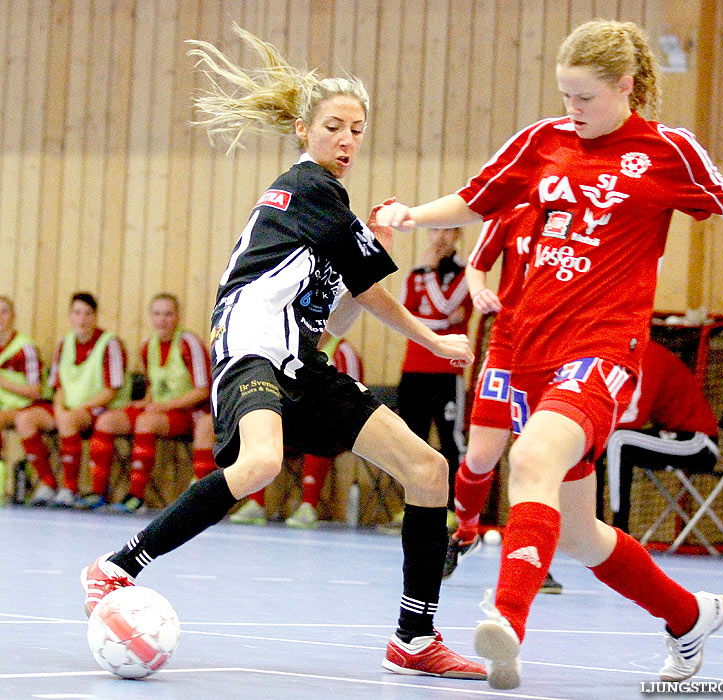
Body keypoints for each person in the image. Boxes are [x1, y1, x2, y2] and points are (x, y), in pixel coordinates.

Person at [376, 19, 723, 689]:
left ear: (624, 86)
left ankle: (507, 619)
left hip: (602, 351)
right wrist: (414, 216)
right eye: (563, 96)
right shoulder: (541, 140)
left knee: (529, 460)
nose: (570, 111)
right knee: (580, 537)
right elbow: (477, 198)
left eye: (583, 98)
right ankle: (687, 615)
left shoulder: (668, 150)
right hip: (528, 352)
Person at [80, 25, 485, 681]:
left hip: (299, 359)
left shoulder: (329, 213)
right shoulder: (307, 188)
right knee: (263, 461)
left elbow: (343, 318)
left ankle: (413, 637)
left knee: (428, 470)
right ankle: (116, 567)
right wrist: (434, 337)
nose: (347, 140)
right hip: (249, 345)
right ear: (303, 130)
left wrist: (370, 248)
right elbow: (378, 295)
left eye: (357, 128)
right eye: (333, 126)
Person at [442, 205, 562, 594]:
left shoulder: (587, 212)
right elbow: (478, 263)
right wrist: (478, 291)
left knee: (537, 461)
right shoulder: (515, 209)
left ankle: (532, 554)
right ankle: (464, 532)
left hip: (556, 351)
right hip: (509, 345)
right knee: (479, 457)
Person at [78, 293, 214, 513]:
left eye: (168, 314)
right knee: (106, 421)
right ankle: (97, 492)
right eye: (158, 314)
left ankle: (137, 496)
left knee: (145, 423)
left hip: (191, 412)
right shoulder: (146, 345)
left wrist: (164, 406)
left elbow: (203, 391)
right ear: (151, 317)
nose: (162, 319)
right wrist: (146, 401)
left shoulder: (190, 343)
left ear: (178, 317)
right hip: (160, 411)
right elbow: (156, 386)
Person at [230, 332, 364, 527]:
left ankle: (308, 506)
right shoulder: (288, 349)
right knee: (261, 426)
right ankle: (255, 503)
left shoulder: (344, 352)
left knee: (317, 429)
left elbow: (354, 401)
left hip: (334, 426)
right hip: (297, 421)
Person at [16, 292, 129, 508]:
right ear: (70, 316)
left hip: (98, 409)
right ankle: (48, 484)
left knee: (68, 421)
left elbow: (111, 391)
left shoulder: (109, 343)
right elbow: (57, 386)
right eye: (77, 313)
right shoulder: (63, 344)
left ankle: (70, 488)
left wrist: (75, 411)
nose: (82, 319)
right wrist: (59, 409)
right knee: (25, 419)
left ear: (95, 317)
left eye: (88, 314)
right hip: (68, 409)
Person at [394, 227, 473, 528]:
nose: (439, 237)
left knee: (451, 442)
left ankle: (453, 509)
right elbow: (404, 319)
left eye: (447, 231)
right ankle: (414, 506)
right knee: (412, 440)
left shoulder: (466, 275)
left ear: (457, 236)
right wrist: (439, 324)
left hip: (446, 371)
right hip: (413, 370)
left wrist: (429, 272)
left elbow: (446, 305)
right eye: (434, 230)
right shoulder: (413, 275)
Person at [603, 340, 719, 533]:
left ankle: (618, 527)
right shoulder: (623, 359)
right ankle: (595, 519)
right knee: (599, 441)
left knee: (618, 440)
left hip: (699, 443)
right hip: (673, 436)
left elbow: (635, 418)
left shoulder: (647, 355)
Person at [0, 297, 48, 471]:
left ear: (12, 317)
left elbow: (36, 391)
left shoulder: (24, 348)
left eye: (4, 311)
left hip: (26, 407)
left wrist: (4, 383)